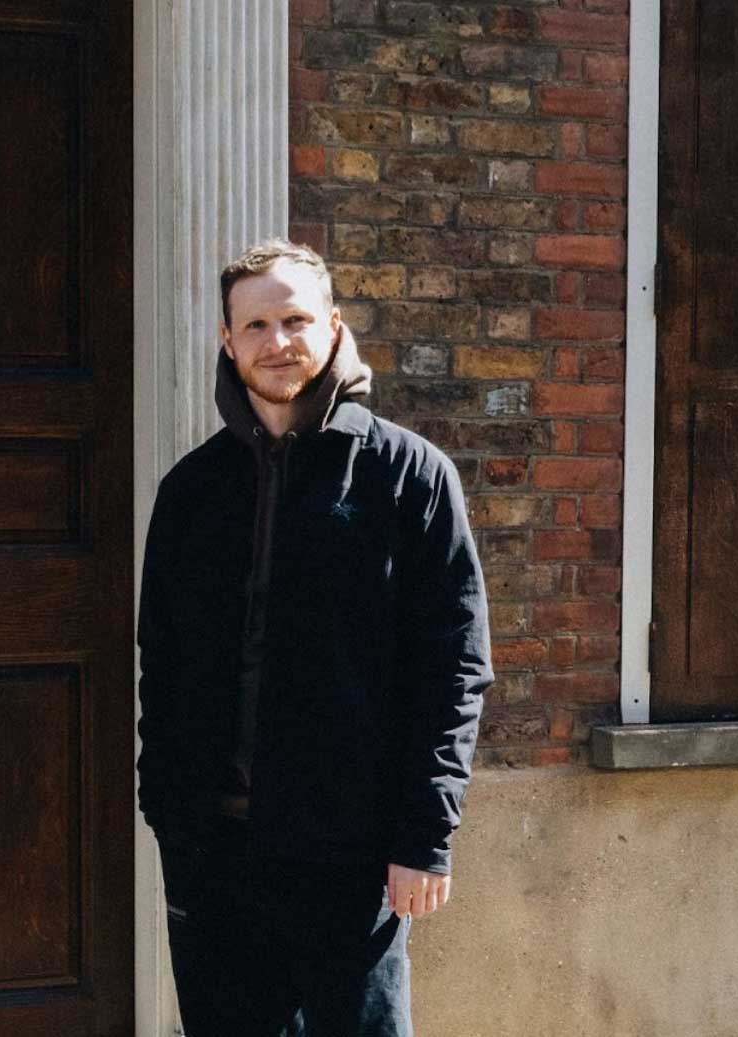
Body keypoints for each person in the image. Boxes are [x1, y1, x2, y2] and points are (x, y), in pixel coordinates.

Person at [136, 239, 491, 1036]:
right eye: (255, 324)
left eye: (295, 318)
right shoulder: (190, 492)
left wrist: (425, 836)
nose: (277, 341)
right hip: (215, 852)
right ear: (228, 342)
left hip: (351, 855)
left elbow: (455, 668)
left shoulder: (412, 476)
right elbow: (160, 661)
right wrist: (168, 809)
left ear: (333, 327)